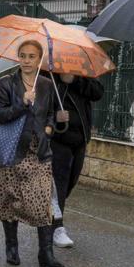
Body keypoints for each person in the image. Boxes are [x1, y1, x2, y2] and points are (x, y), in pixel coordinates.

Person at [0, 40, 62, 267]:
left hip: (38, 152)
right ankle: (11, 246)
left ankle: (45, 253)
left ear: (40, 60)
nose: (27, 61)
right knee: (8, 200)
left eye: (32, 57)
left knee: (42, 201)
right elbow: (0, 115)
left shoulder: (48, 85)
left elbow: (51, 114)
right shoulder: (5, 83)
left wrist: (50, 128)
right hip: (11, 150)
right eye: (23, 56)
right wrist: (22, 103)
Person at [49, 72, 104, 247]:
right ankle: (56, 228)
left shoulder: (82, 69)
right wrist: (54, 116)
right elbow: (40, 102)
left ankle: (48, 215)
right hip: (58, 139)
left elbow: (97, 92)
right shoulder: (48, 73)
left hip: (80, 137)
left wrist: (74, 80)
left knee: (70, 182)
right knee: (59, 183)